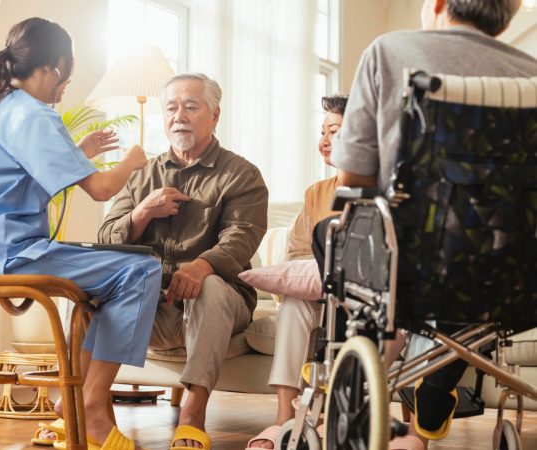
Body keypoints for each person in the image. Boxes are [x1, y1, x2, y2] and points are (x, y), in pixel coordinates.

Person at [326, 1, 537, 449]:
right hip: (514, 276)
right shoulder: (532, 76)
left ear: (439, 4)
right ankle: (435, 394)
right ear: (508, 15)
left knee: (333, 235)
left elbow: (353, 178)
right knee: (475, 270)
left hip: (408, 264)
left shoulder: (390, 51)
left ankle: (364, 369)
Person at [0, 17, 162, 450]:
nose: (66, 86)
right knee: (142, 270)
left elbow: (21, 178)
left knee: (112, 281)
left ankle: (75, 403)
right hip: (12, 252)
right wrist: (132, 161)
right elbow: (101, 188)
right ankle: (92, 407)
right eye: (67, 74)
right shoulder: (33, 114)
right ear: (53, 65)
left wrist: (79, 153)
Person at [98, 72, 269, 450]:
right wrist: (141, 213)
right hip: (151, 309)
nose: (180, 116)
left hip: (218, 303)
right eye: (172, 108)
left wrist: (201, 265)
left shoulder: (242, 174)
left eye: (191, 107)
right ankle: (89, 413)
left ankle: (192, 414)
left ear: (214, 114)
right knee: (89, 284)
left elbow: (242, 238)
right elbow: (107, 236)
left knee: (207, 284)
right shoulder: (141, 174)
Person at [245, 94, 346, 450]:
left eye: (334, 131)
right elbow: (298, 251)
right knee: (293, 304)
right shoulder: (317, 193)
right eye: (322, 132)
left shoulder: (385, 191)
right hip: (321, 296)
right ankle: (284, 417)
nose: (324, 141)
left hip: (368, 300)